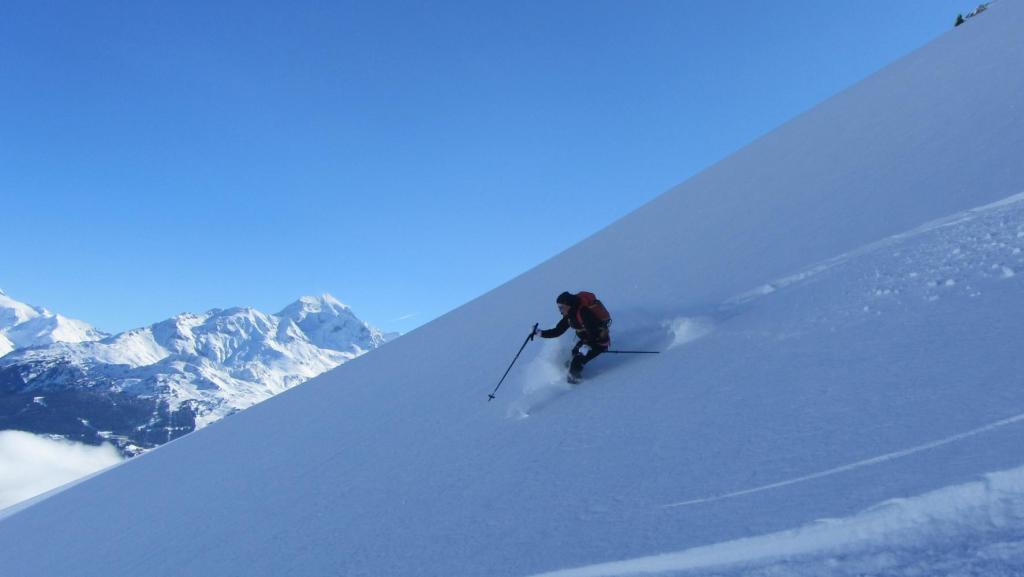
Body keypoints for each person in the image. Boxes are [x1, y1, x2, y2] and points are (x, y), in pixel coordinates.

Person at [535, 291, 611, 383]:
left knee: (576, 363)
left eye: (561, 307)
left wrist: (587, 346)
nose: (560, 310)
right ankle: (570, 374)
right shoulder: (570, 316)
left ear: (568, 304)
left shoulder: (584, 312)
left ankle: (576, 388)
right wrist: (539, 333)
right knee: (573, 355)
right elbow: (558, 331)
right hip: (586, 341)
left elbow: (593, 332)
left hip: (598, 342)